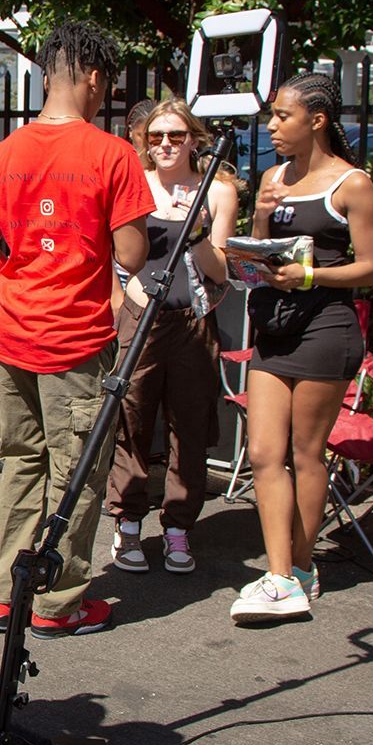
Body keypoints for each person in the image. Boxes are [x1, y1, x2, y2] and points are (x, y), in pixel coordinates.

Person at [0, 20, 153, 639]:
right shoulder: (112, 155)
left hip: (15, 334)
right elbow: (131, 255)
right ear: (95, 77)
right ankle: (56, 603)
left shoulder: (3, 153)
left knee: (21, 464)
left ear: (48, 72)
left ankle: (4, 594)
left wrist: (19, 273)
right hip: (75, 342)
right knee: (75, 474)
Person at [231, 72, 373, 624]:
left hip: (325, 329)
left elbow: (370, 266)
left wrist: (311, 275)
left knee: (304, 454)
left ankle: (298, 569)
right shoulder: (272, 177)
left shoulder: (351, 184)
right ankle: (277, 575)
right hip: (274, 328)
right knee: (265, 453)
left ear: (316, 121)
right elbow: (255, 253)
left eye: (282, 116)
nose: (271, 125)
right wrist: (263, 216)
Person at [106, 99, 235, 575]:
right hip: (141, 315)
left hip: (194, 320)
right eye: (155, 136)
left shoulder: (216, 191)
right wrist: (122, 305)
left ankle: (179, 525)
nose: (163, 144)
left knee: (191, 426)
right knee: (131, 421)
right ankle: (128, 523)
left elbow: (221, 271)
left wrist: (198, 231)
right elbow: (110, 253)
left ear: (194, 140)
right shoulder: (133, 184)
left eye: (175, 136)